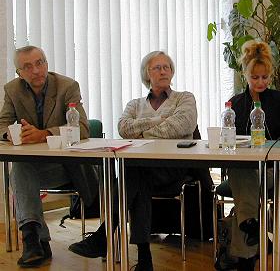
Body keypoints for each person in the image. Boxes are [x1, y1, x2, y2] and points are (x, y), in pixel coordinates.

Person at [68, 51, 211, 271]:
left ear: (172, 72)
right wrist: (159, 120)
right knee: (136, 173)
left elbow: (181, 126)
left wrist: (142, 131)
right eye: (157, 67)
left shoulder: (185, 97)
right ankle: (144, 259)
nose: (163, 71)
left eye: (166, 67)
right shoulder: (134, 104)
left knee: (131, 172)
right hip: (143, 169)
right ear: (146, 73)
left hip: (174, 167)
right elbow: (124, 128)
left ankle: (105, 236)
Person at [0, 46, 98, 267]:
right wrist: (13, 133)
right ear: (19, 73)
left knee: (21, 169)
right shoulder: (12, 90)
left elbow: (82, 128)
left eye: (40, 62)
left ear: (46, 63)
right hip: (35, 169)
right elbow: (2, 124)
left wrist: (43, 134)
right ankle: (34, 238)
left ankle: (35, 241)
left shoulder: (67, 86)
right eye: (28, 66)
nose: (36, 70)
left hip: (66, 167)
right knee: (22, 167)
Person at [217, 40, 280, 270]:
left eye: (264, 77)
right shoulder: (235, 104)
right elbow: (229, 142)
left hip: (275, 168)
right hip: (245, 168)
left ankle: (247, 248)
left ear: (270, 76)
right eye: (255, 77)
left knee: (246, 193)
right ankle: (254, 229)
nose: (260, 82)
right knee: (245, 176)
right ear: (245, 75)